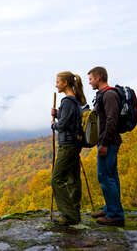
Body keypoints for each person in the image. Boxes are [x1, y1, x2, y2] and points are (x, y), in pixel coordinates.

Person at [88, 66, 125, 227]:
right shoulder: (104, 94)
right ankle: (111, 208)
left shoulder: (109, 95)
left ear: (99, 78)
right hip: (108, 141)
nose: (89, 82)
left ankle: (115, 215)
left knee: (105, 176)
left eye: (90, 79)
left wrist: (104, 143)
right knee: (111, 175)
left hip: (108, 142)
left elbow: (111, 120)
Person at [51, 71, 87, 226]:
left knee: (56, 179)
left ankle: (69, 214)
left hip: (67, 145)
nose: (56, 84)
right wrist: (58, 114)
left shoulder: (67, 101)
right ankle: (74, 210)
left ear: (65, 83)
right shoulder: (75, 101)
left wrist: (54, 124)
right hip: (75, 144)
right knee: (73, 179)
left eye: (58, 82)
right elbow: (69, 119)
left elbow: (64, 124)